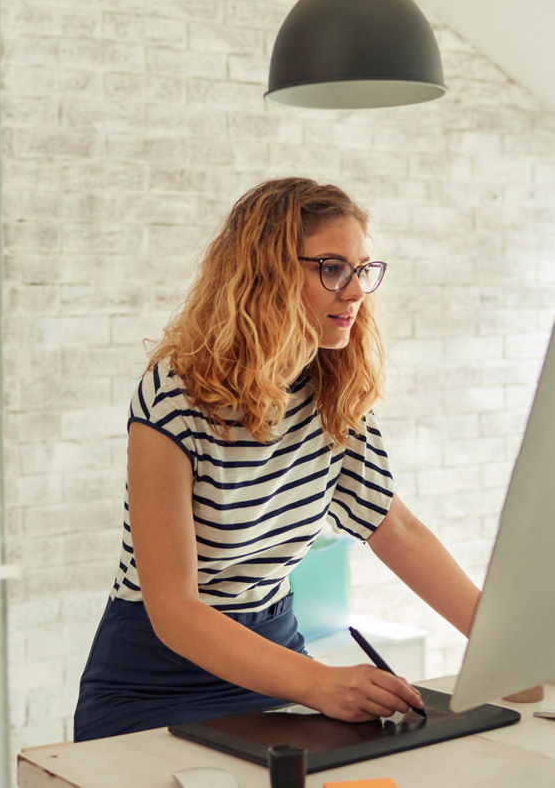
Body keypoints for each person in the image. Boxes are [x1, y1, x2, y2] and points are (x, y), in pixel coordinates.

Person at [73, 178, 482, 741]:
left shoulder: (332, 394)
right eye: (333, 268)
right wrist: (319, 683)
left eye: (363, 269)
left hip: (273, 660)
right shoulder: (174, 396)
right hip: (155, 674)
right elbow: (173, 608)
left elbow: (398, 530)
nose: (356, 290)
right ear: (267, 273)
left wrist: (501, 644)